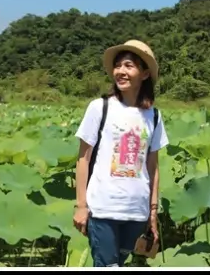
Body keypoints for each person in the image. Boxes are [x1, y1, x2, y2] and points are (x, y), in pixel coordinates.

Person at [72, 40, 168, 267]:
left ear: (144, 74)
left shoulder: (153, 116)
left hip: (137, 212)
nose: (120, 72)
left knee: (120, 263)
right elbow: (83, 159)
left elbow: (153, 167)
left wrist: (153, 212)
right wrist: (81, 205)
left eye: (128, 66)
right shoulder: (100, 107)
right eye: (117, 66)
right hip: (103, 207)